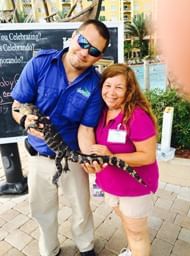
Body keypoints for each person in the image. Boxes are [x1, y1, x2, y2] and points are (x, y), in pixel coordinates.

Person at [11, 19, 110, 256]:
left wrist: (89, 157)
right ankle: (50, 250)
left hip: (73, 155)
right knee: (42, 210)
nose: (85, 52)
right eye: (83, 42)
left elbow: (86, 129)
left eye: (94, 50)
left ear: (98, 57)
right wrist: (25, 120)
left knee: (81, 208)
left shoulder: (95, 85)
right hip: (39, 155)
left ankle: (86, 247)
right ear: (74, 36)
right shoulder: (40, 64)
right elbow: (17, 106)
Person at [83, 64, 159, 256]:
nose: (111, 92)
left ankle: (137, 250)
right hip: (110, 185)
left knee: (137, 232)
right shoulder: (101, 112)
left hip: (134, 187)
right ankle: (133, 251)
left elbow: (147, 156)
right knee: (126, 222)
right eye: (107, 85)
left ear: (129, 91)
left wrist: (112, 156)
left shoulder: (136, 116)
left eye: (119, 87)